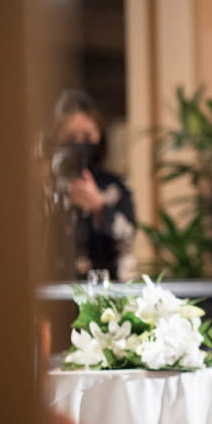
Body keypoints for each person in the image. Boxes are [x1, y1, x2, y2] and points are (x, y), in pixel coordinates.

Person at [47, 89, 136, 281]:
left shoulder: (114, 185)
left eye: (87, 136)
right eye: (71, 137)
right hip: (52, 287)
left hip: (104, 286)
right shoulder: (45, 184)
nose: (79, 144)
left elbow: (128, 234)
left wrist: (99, 207)